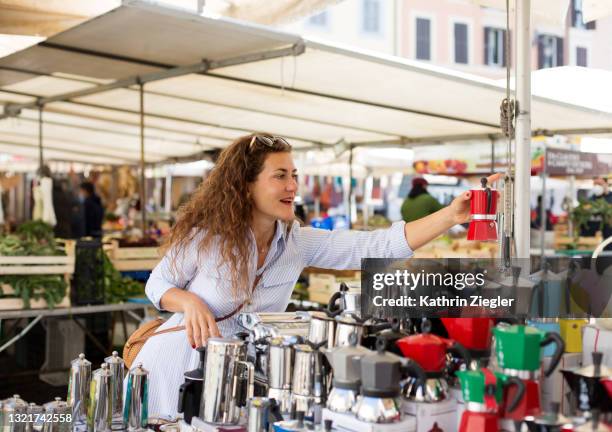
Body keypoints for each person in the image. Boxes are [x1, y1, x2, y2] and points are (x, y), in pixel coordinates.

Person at [136, 133, 501, 417]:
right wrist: (189, 301)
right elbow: (158, 284)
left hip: (235, 373)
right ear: (245, 185)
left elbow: (376, 245)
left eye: (293, 175)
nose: (292, 186)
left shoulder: (297, 241)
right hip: (176, 364)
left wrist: (451, 216)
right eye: (280, 176)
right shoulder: (208, 237)